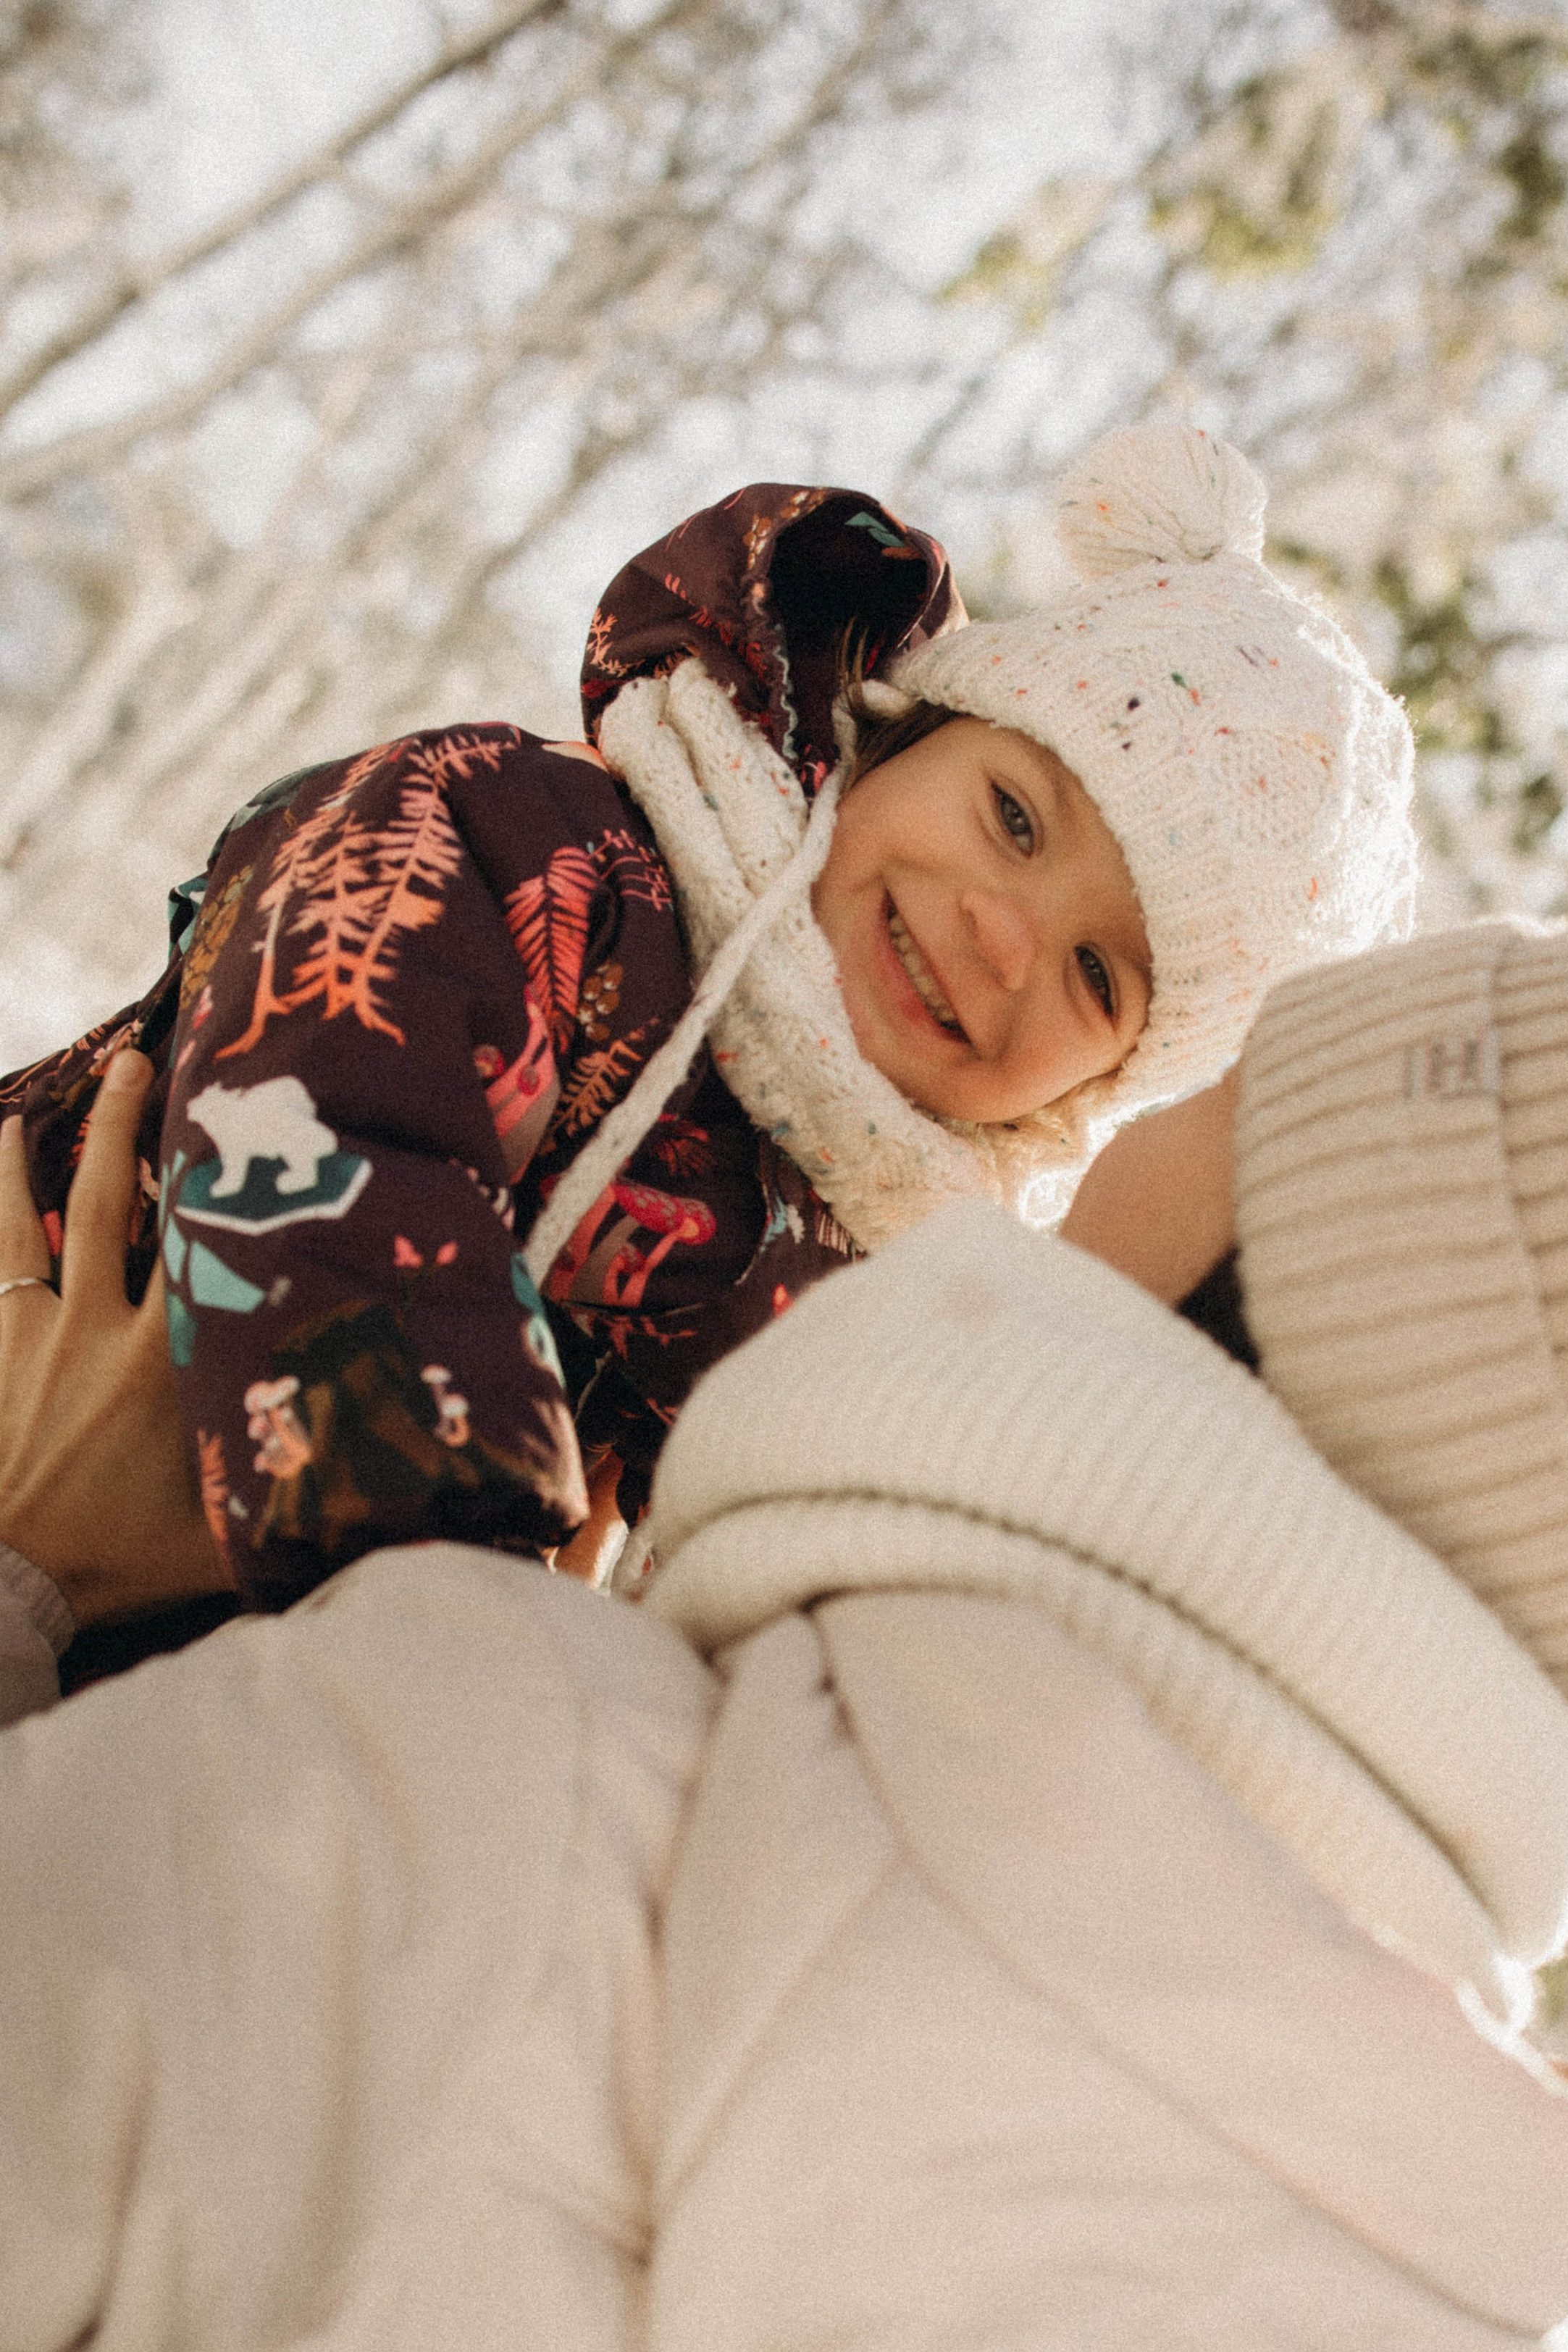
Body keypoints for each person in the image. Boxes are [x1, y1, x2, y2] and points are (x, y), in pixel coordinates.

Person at [4, 903, 1568, 2352]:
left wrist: (39, 1583)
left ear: (1282, 1272)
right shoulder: (1273, 2320)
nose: (1123, 1122)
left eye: (1238, 1084)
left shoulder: (493, 1775)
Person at [0, 424, 1416, 1630]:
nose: (1004, 935)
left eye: (1102, 977)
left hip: (190, 1684)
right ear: (903, 741)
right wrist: (452, 1604)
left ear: (1112, 1080)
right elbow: (330, 1128)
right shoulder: (532, 846)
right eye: (1012, 817)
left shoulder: (879, 1278)